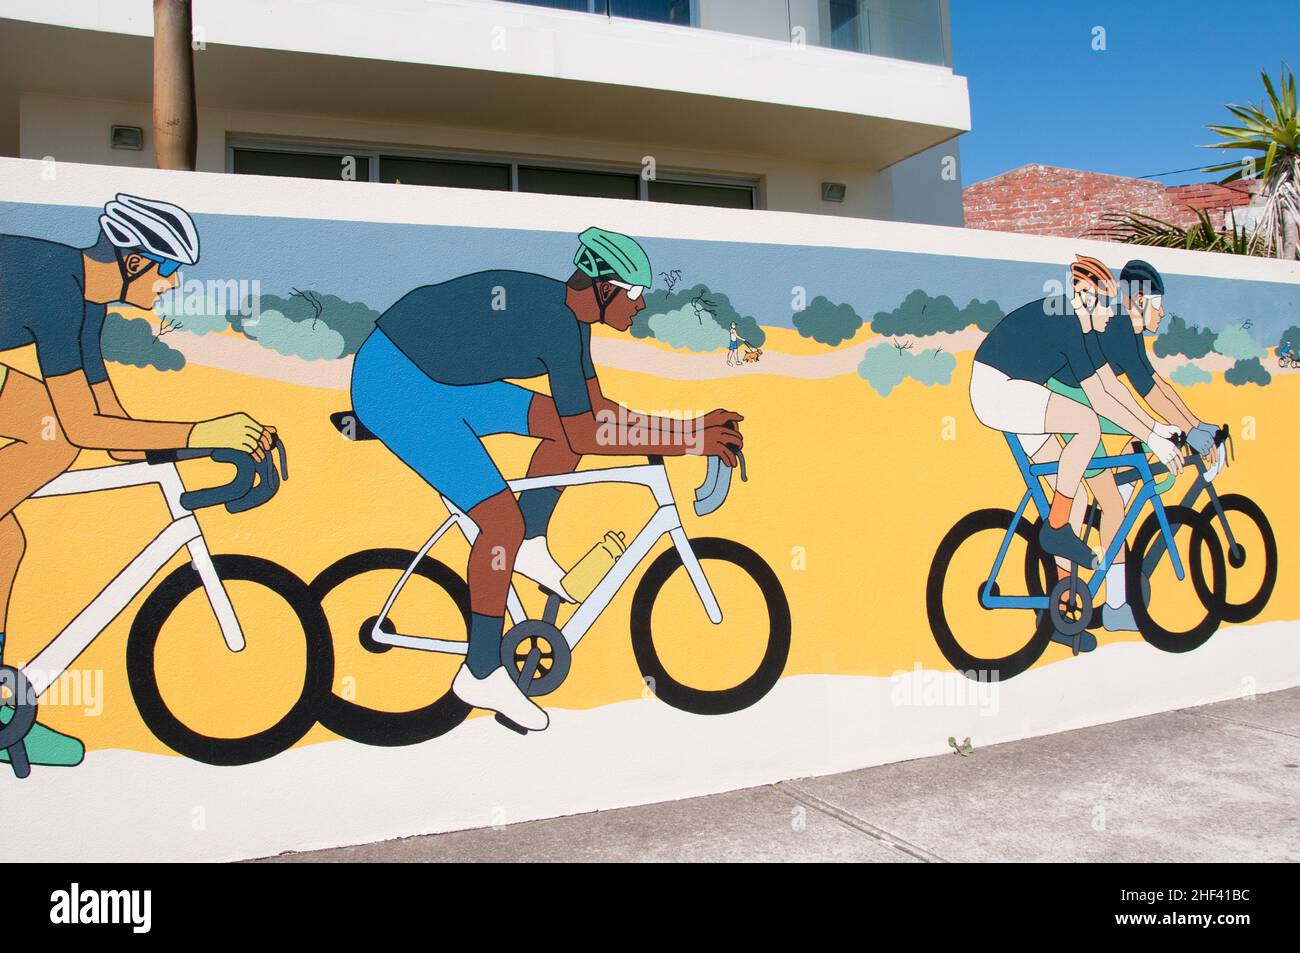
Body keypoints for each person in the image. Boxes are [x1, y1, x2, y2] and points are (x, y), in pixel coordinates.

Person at [350, 227, 743, 732]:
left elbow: (595, 414)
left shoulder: (572, 322)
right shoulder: (557, 322)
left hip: (438, 378)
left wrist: (686, 430)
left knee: (559, 429)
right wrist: (689, 437)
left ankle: (532, 541)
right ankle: (482, 671)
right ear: (605, 287)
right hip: (397, 385)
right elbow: (590, 433)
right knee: (499, 524)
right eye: (635, 294)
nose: (641, 306)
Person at [0, 194, 276, 767]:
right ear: (133, 263)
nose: (171, 286)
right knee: (53, 442)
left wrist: (207, 444)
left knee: (10, 534)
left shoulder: (87, 302)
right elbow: (81, 425)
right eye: (168, 270)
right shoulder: (58, 290)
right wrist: (205, 430)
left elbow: (113, 430)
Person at [970, 255, 1184, 650]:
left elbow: (1109, 390)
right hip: (999, 387)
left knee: (1078, 495)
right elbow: (1099, 402)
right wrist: (1152, 436)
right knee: (1084, 423)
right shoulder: (1070, 322)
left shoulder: (1082, 331)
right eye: (1106, 304)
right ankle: (1055, 529)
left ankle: (1064, 615)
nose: (1111, 313)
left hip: (1017, 395)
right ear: (1085, 297)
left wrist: (1155, 430)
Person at [1046, 259, 1220, 633]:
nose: (1163, 312)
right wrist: (1186, 430)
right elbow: (1148, 393)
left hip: (1088, 406)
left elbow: (1158, 386)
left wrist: (1196, 425)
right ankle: (1115, 607)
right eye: (1159, 303)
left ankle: (1120, 492)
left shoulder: (1130, 333)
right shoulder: (1121, 329)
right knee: (1113, 505)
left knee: (1135, 447)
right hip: (1073, 408)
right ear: (1139, 301)